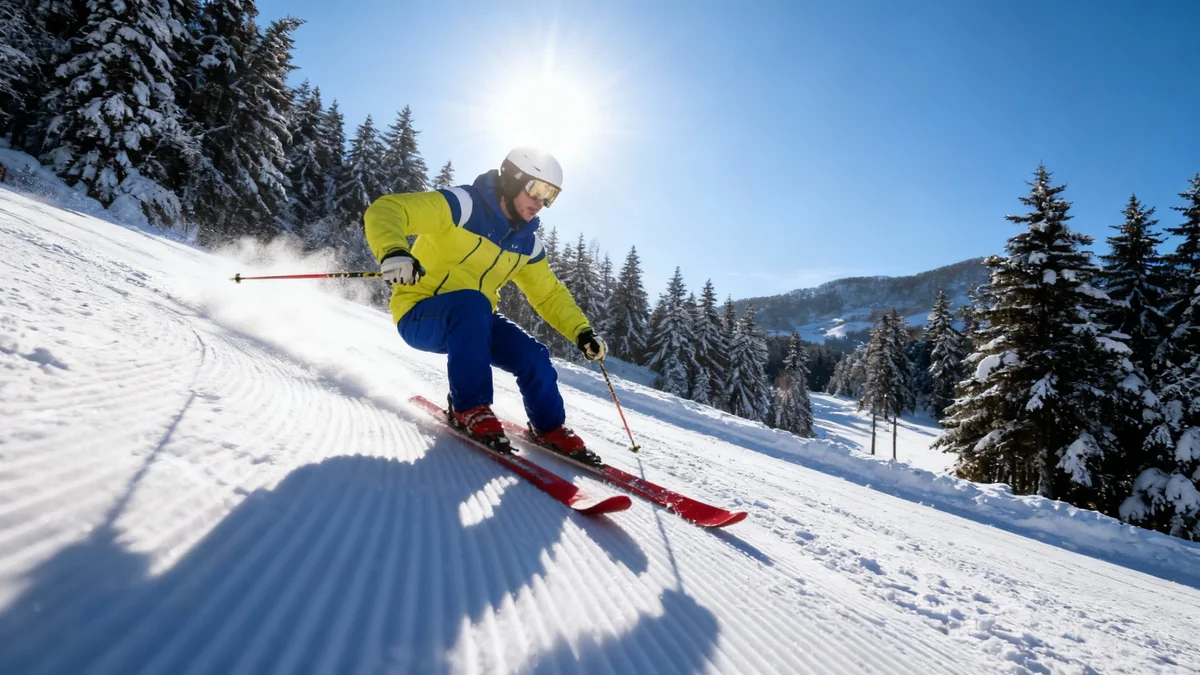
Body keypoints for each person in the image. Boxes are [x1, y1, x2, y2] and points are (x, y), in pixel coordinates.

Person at [364, 147, 608, 465]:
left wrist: (582, 332)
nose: (541, 202)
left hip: (476, 322)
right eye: (537, 189)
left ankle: (549, 427)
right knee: (473, 303)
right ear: (512, 178)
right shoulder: (463, 206)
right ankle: (468, 406)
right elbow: (389, 209)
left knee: (533, 356)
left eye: (551, 195)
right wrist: (394, 251)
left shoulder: (527, 244)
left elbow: (548, 294)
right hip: (421, 313)